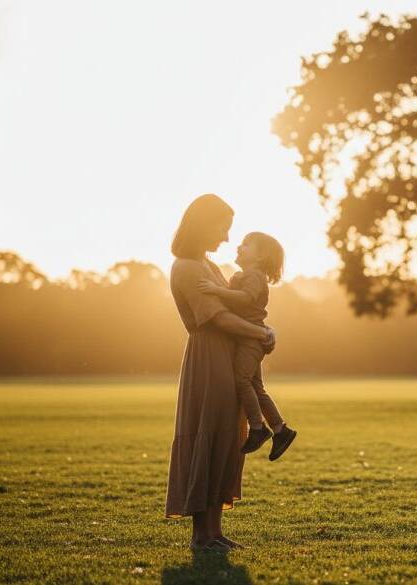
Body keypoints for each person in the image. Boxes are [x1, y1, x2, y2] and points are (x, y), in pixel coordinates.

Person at [165, 194, 275, 552]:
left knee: (227, 439)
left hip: (226, 356)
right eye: (223, 228)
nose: (227, 238)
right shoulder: (187, 267)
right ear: (203, 224)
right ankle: (201, 536)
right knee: (207, 437)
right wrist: (262, 333)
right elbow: (218, 317)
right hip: (208, 358)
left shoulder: (209, 267)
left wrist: (257, 332)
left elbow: (239, 307)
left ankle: (215, 531)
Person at [197, 231, 297, 460]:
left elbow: (246, 299)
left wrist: (216, 290)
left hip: (250, 339)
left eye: (246, 244)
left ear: (260, 257)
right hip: (249, 339)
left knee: (241, 381)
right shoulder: (245, 275)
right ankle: (281, 430)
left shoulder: (254, 276)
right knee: (256, 386)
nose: (239, 247)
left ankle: (258, 428)